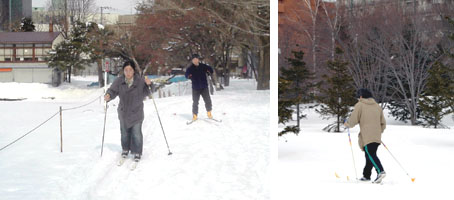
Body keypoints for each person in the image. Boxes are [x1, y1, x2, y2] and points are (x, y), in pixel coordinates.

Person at [104, 60, 152, 162]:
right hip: (123, 112)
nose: (128, 72)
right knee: (124, 133)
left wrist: (150, 85)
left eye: (130, 70)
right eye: (126, 70)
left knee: (136, 133)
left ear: (134, 71)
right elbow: (112, 90)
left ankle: (137, 152)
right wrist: (109, 95)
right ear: (123, 71)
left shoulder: (140, 81)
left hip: (137, 112)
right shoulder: (119, 81)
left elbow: (148, 91)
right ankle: (125, 149)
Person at [344, 88, 387, 183]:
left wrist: (347, 124)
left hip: (367, 136)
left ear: (361, 96)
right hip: (376, 135)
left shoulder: (360, 105)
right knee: (369, 155)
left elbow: (353, 120)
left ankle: (380, 171)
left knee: (370, 154)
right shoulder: (377, 106)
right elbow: (383, 123)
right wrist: (378, 132)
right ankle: (366, 175)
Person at [185, 54, 214, 121]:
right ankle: (195, 115)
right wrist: (189, 76)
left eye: (196, 59)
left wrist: (209, 72)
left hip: (204, 87)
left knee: (208, 101)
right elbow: (186, 75)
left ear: (198, 59)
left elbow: (211, 70)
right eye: (193, 59)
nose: (195, 60)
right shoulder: (190, 68)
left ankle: (209, 113)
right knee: (195, 102)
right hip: (195, 88)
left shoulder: (203, 66)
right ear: (192, 61)